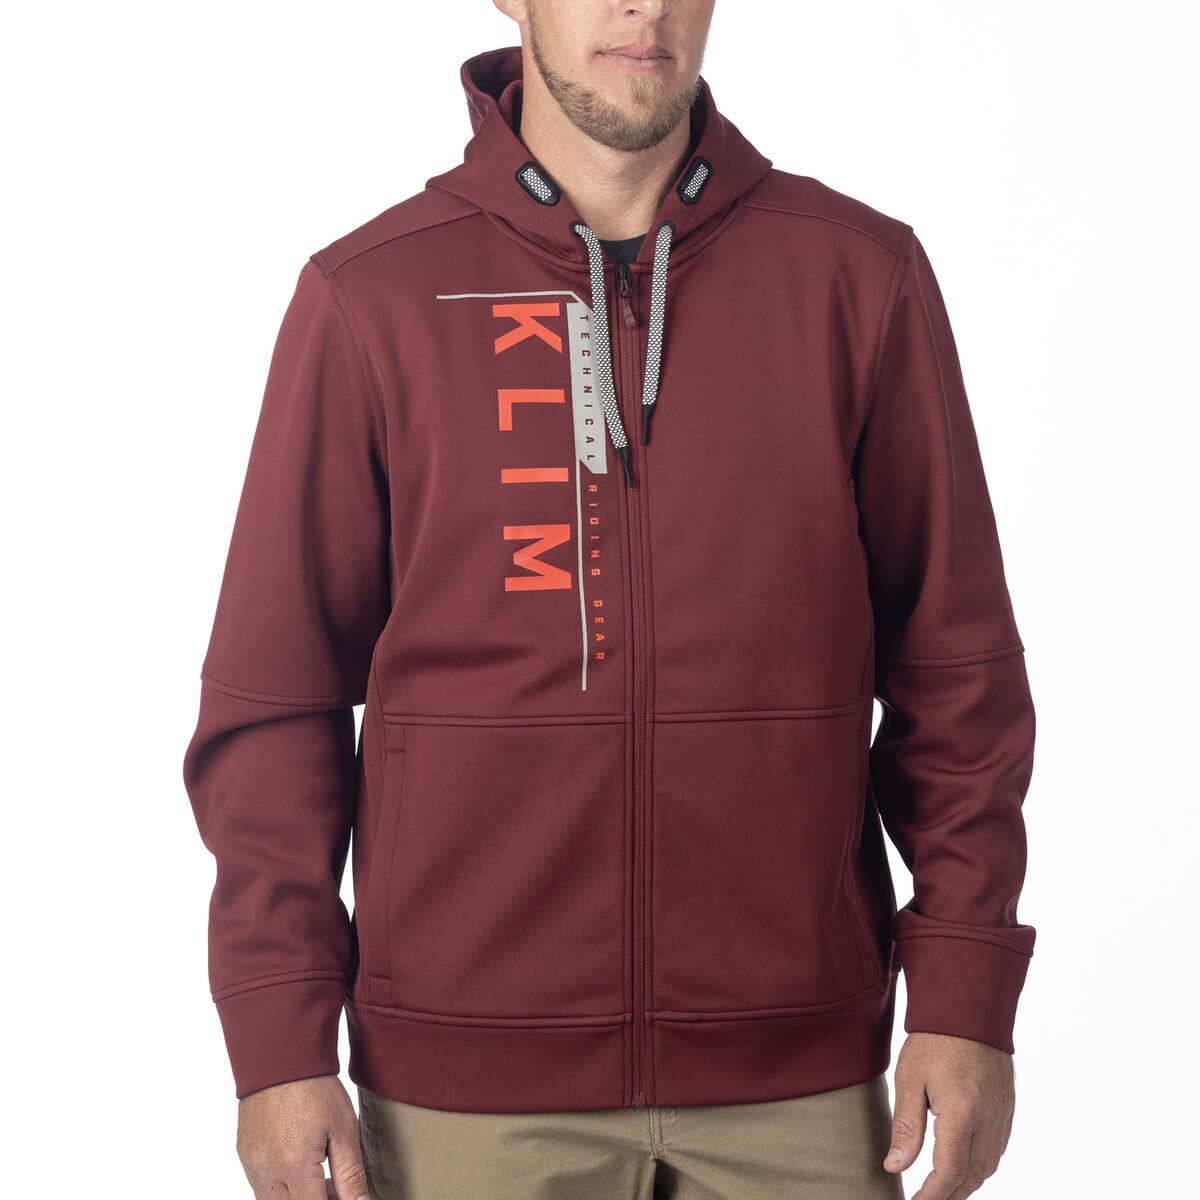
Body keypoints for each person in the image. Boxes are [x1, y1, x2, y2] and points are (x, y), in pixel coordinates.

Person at [182, 2, 1037, 1197]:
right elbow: (274, 706)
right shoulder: (373, 295)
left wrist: (964, 992)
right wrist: (278, 1041)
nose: (644, 5)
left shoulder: (856, 276)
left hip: (798, 1079)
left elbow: (957, 675)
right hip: (468, 1089)